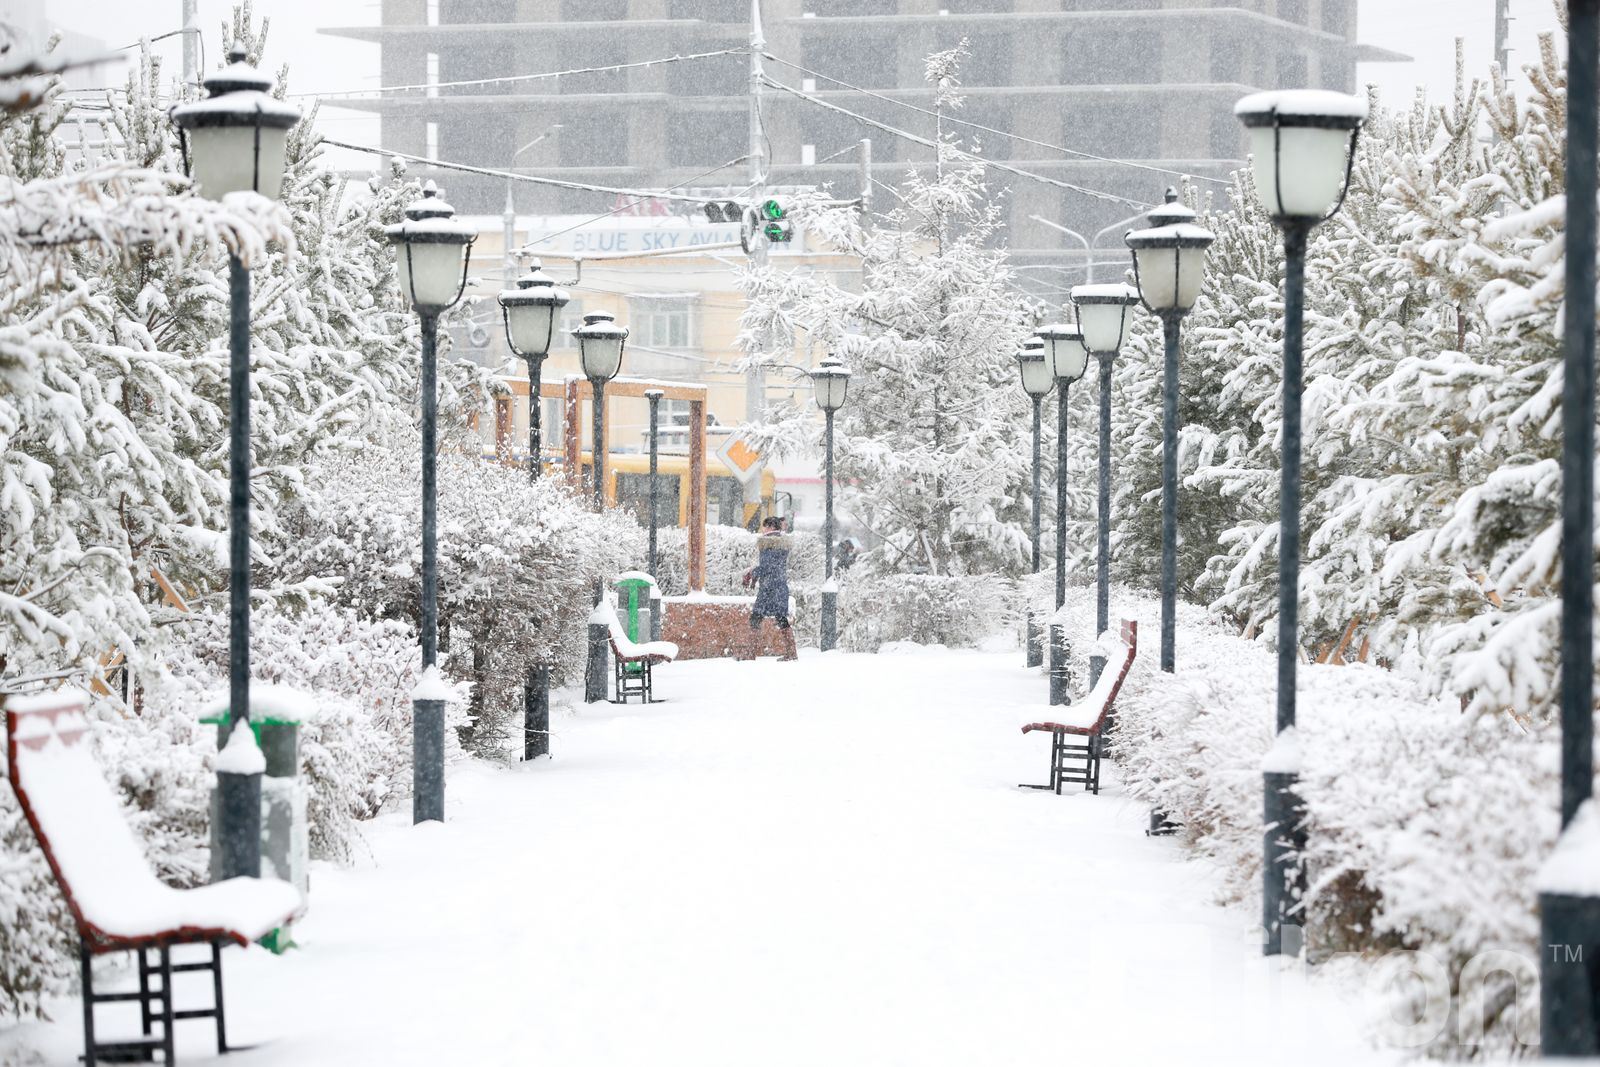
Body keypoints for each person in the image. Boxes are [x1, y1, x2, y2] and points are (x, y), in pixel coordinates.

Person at [740, 516, 798, 661]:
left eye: (765, 527)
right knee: (781, 618)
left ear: (771, 528)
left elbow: (768, 566)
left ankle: (750, 653)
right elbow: (774, 566)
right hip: (778, 586)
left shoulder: (769, 544)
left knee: (756, 618)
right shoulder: (781, 544)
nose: (763, 530)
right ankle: (791, 653)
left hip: (769, 588)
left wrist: (753, 573)